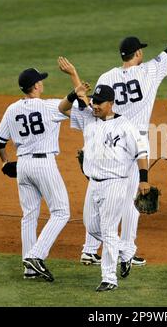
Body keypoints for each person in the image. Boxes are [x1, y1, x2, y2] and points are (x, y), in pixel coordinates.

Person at [77, 0, 167, 266]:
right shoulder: (148, 71)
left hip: (106, 138)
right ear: (138, 53)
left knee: (98, 190)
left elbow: (94, 108)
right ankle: (127, 251)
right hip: (134, 141)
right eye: (141, 50)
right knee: (134, 197)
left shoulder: (107, 77)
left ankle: (90, 248)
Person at [58, 84, 150, 292]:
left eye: (99, 103)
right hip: (93, 184)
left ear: (111, 103)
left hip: (115, 183)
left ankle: (109, 278)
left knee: (108, 230)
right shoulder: (89, 118)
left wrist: (144, 180)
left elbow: (141, 153)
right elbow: (62, 109)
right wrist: (73, 93)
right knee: (91, 226)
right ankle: (124, 253)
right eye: (93, 101)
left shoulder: (125, 125)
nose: (95, 105)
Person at [0, 68, 72, 281]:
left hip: (23, 166)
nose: (42, 83)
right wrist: (76, 89)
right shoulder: (47, 106)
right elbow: (68, 105)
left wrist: (5, 163)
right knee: (61, 211)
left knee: (29, 215)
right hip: (43, 164)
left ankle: (29, 269)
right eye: (41, 81)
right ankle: (36, 256)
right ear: (36, 86)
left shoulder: (11, 109)